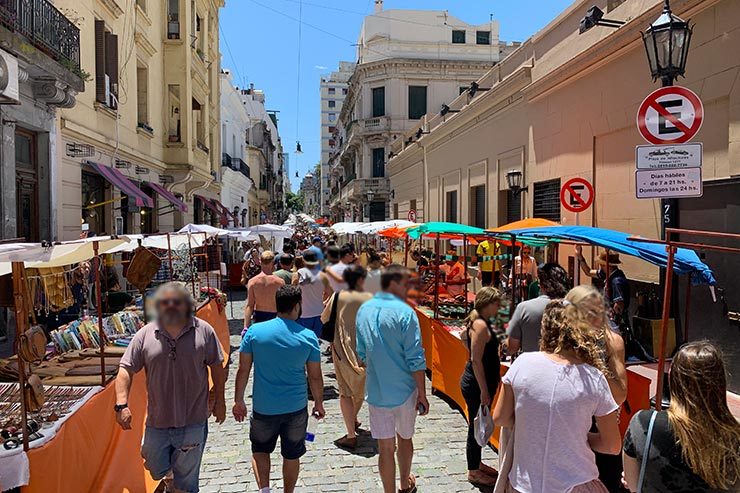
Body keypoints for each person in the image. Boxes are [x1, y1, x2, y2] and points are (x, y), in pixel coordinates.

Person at [492, 299, 622, 493]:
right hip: (575, 482)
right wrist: (577, 434)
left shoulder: (522, 363)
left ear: (545, 329)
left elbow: (500, 417)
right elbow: (612, 445)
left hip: (524, 482)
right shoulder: (593, 378)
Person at [115, 282, 226, 493]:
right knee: (152, 458)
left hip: (193, 420)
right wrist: (121, 404)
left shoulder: (204, 331)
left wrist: (219, 399)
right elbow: (125, 369)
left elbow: (217, 368)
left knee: (186, 485)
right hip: (158, 421)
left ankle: (177, 483)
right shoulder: (146, 334)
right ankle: (169, 477)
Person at [233, 286, 325, 493]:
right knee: (292, 454)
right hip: (296, 407)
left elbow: (243, 370)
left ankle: (265, 490)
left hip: (264, 407)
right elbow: (315, 376)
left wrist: (238, 400)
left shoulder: (255, 332)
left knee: (260, 450)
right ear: (297, 306)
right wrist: (318, 402)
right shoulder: (308, 336)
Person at [623, 341, 740, 493]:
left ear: (672, 377)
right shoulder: (734, 435)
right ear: (720, 382)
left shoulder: (644, 423)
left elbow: (633, 486)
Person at [356, 264, 428, 493]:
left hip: (377, 390)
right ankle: (404, 483)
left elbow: (361, 355)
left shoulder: (364, 310)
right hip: (404, 390)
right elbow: (416, 357)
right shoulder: (405, 312)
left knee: (385, 447)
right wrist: (423, 393)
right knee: (404, 440)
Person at [566, 285, 628, 491]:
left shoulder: (612, 342)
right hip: (569, 430)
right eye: (588, 313)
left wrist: (595, 363)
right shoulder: (562, 346)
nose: (596, 318)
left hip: (602, 428)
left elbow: (620, 395)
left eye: (598, 311)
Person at [321, 264, 373, 449]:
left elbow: (324, 318)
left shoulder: (338, 296)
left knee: (345, 392)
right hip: (366, 350)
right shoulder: (369, 298)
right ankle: (354, 419)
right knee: (361, 386)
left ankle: (351, 433)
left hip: (343, 349)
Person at [459, 287, 502, 487]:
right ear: (487, 304)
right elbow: (476, 360)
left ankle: (476, 462)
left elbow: (462, 337)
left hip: (479, 382)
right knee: (475, 426)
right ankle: (473, 471)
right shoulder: (480, 325)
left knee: (479, 423)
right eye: (497, 303)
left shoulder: (480, 322)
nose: (499, 307)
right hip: (477, 385)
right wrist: (484, 389)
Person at [506, 262, 568, 355]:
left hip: (531, 366)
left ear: (541, 284)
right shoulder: (574, 309)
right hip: (564, 367)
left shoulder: (524, 308)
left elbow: (511, 348)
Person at [574, 246, 631, 329]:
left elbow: (619, 306)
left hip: (614, 323)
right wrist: (580, 256)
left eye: (601, 263)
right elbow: (589, 272)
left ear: (605, 265)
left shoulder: (616, 281)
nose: (599, 265)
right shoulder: (608, 274)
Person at [292, 250, 332, 339]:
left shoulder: (298, 274)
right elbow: (331, 293)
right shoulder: (323, 275)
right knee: (315, 340)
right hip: (319, 313)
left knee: (303, 340)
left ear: (303, 260)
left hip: (303, 314)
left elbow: (292, 292)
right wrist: (326, 302)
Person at [243, 251, 285, 335]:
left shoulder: (253, 282)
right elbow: (283, 305)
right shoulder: (280, 282)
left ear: (260, 262)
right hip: (275, 317)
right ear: (273, 263)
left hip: (259, 316)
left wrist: (246, 327)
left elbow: (250, 305)